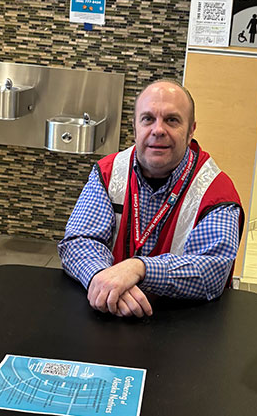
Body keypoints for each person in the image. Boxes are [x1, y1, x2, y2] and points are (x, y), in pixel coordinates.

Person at [58, 80, 243, 317]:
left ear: (191, 130)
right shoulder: (108, 172)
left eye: (172, 120)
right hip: (109, 312)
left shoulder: (217, 191)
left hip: (183, 326)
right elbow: (78, 240)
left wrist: (140, 268)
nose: (158, 130)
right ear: (135, 128)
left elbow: (212, 271)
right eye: (148, 119)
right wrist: (104, 281)